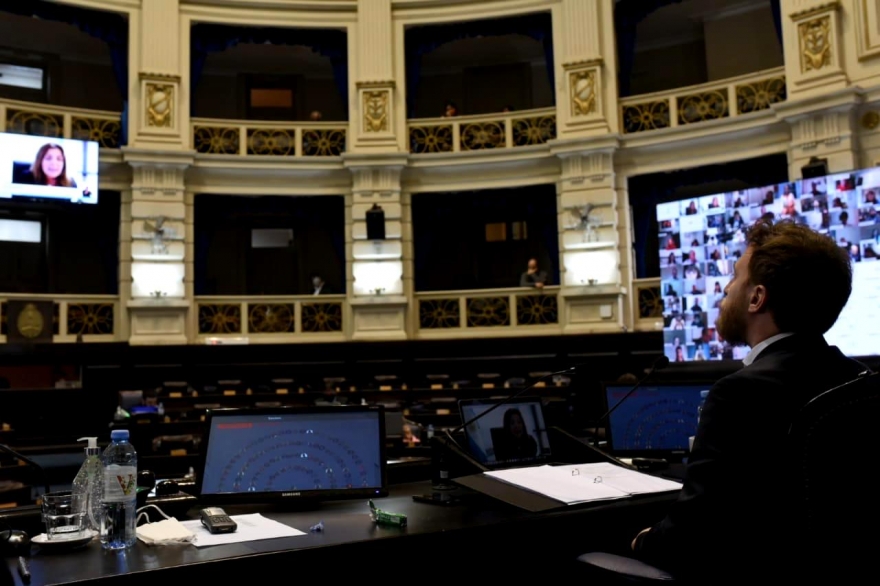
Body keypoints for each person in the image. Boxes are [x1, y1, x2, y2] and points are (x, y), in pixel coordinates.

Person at [629, 220, 866, 583]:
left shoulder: (739, 392)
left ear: (757, 297)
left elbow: (694, 531)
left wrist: (643, 541)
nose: (725, 287)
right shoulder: (860, 379)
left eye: (735, 276)